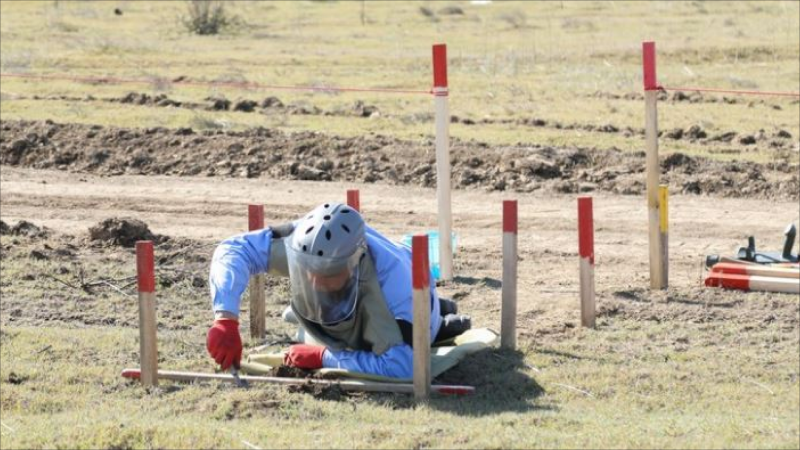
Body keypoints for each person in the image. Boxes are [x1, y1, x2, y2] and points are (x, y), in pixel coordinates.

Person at [206, 202, 471, 378]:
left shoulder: (393, 286)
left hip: (413, 286)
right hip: (360, 301)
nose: (314, 282)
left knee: (415, 329)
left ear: (355, 263)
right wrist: (225, 318)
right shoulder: (302, 241)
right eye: (308, 271)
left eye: (327, 275)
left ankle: (439, 317)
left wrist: (325, 357)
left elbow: (404, 366)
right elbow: (232, 250)